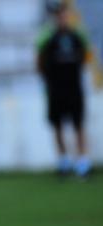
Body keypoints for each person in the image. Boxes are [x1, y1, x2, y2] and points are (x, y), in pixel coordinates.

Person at [36, 2, 92, 177]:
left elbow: (86, 57)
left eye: (65, 15)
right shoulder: (47, 37)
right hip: (55, 89)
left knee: (78, 125)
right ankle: (63, 162)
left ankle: (82, 162)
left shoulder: (78, 35)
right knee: (58, 125)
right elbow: (39, 60)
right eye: (59, 16)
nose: (62, 18)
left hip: (74, 88)